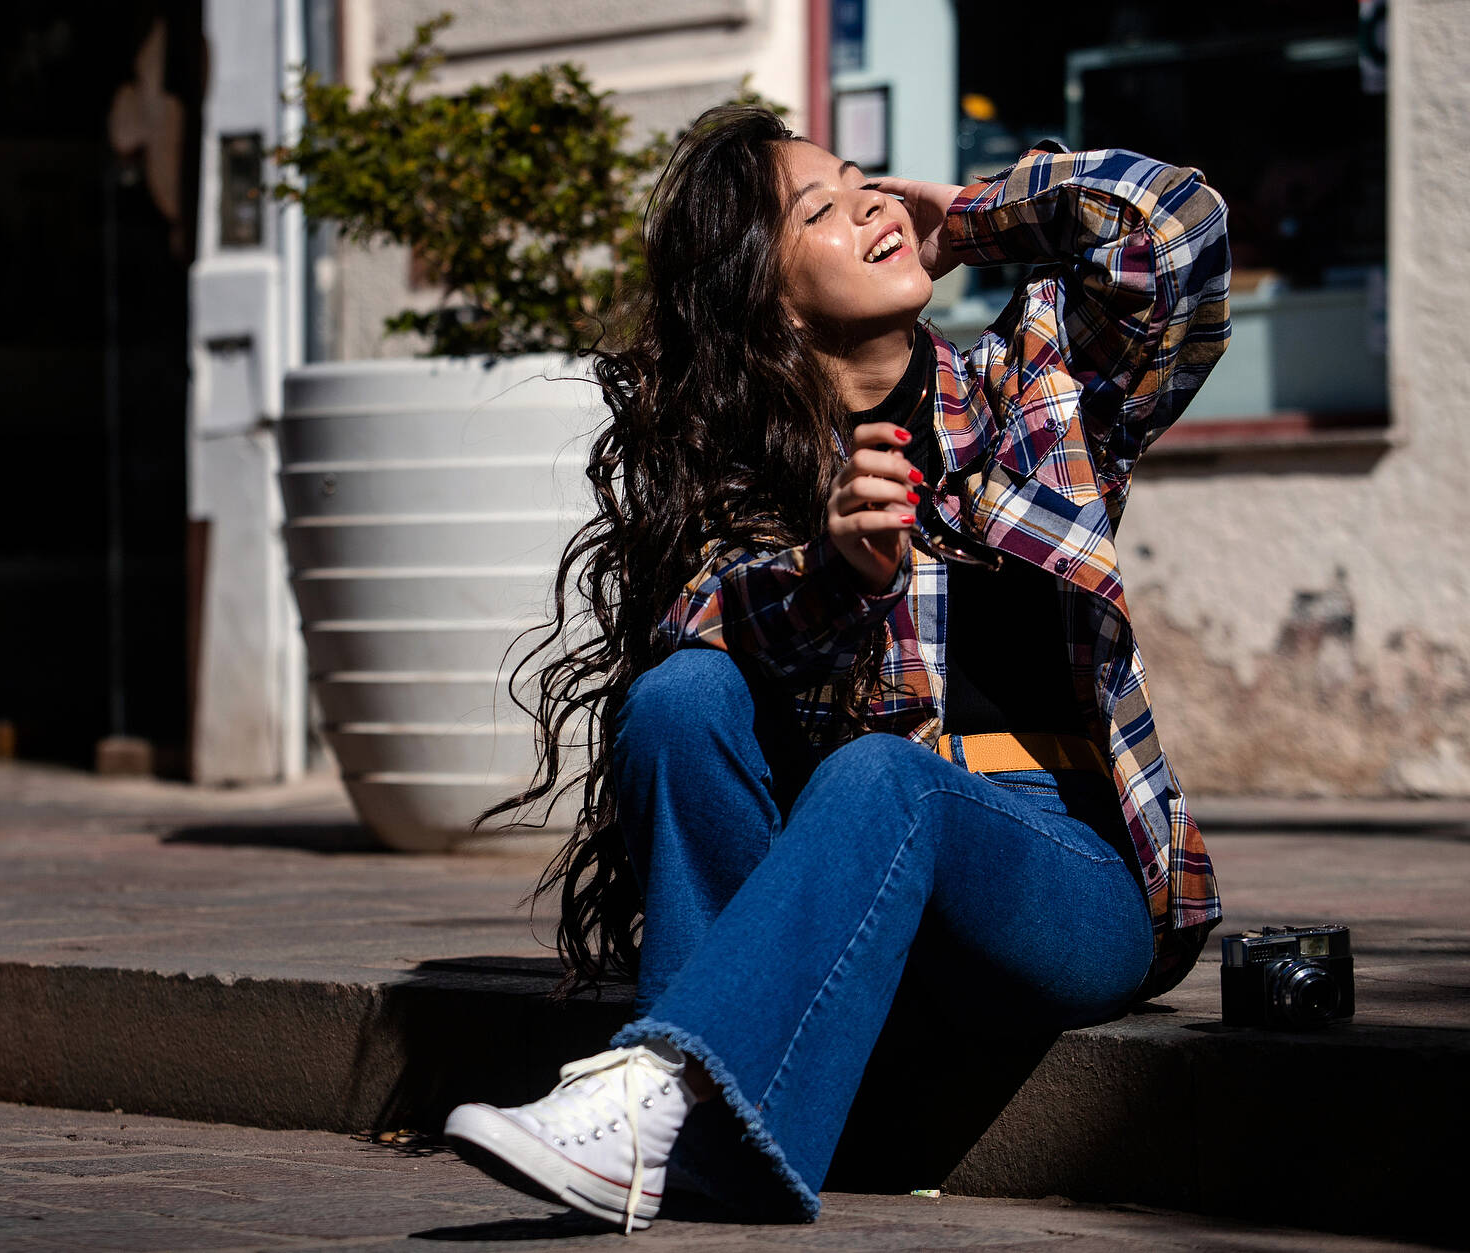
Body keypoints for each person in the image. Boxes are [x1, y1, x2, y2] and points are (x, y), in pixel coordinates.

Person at [443, 105, 1231, 1233]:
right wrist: (835, 574)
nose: (866, 203)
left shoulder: (1033, 389)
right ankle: (696, 1126)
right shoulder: (736, 473)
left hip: (1060, 876)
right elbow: (703, 627)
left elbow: (1180, 230)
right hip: (866, 904)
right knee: (678, 695)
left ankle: (652, 1093)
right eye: (820, 207)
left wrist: (967, 217)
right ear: (764, 296)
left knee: (880, 775)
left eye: (863, 181)